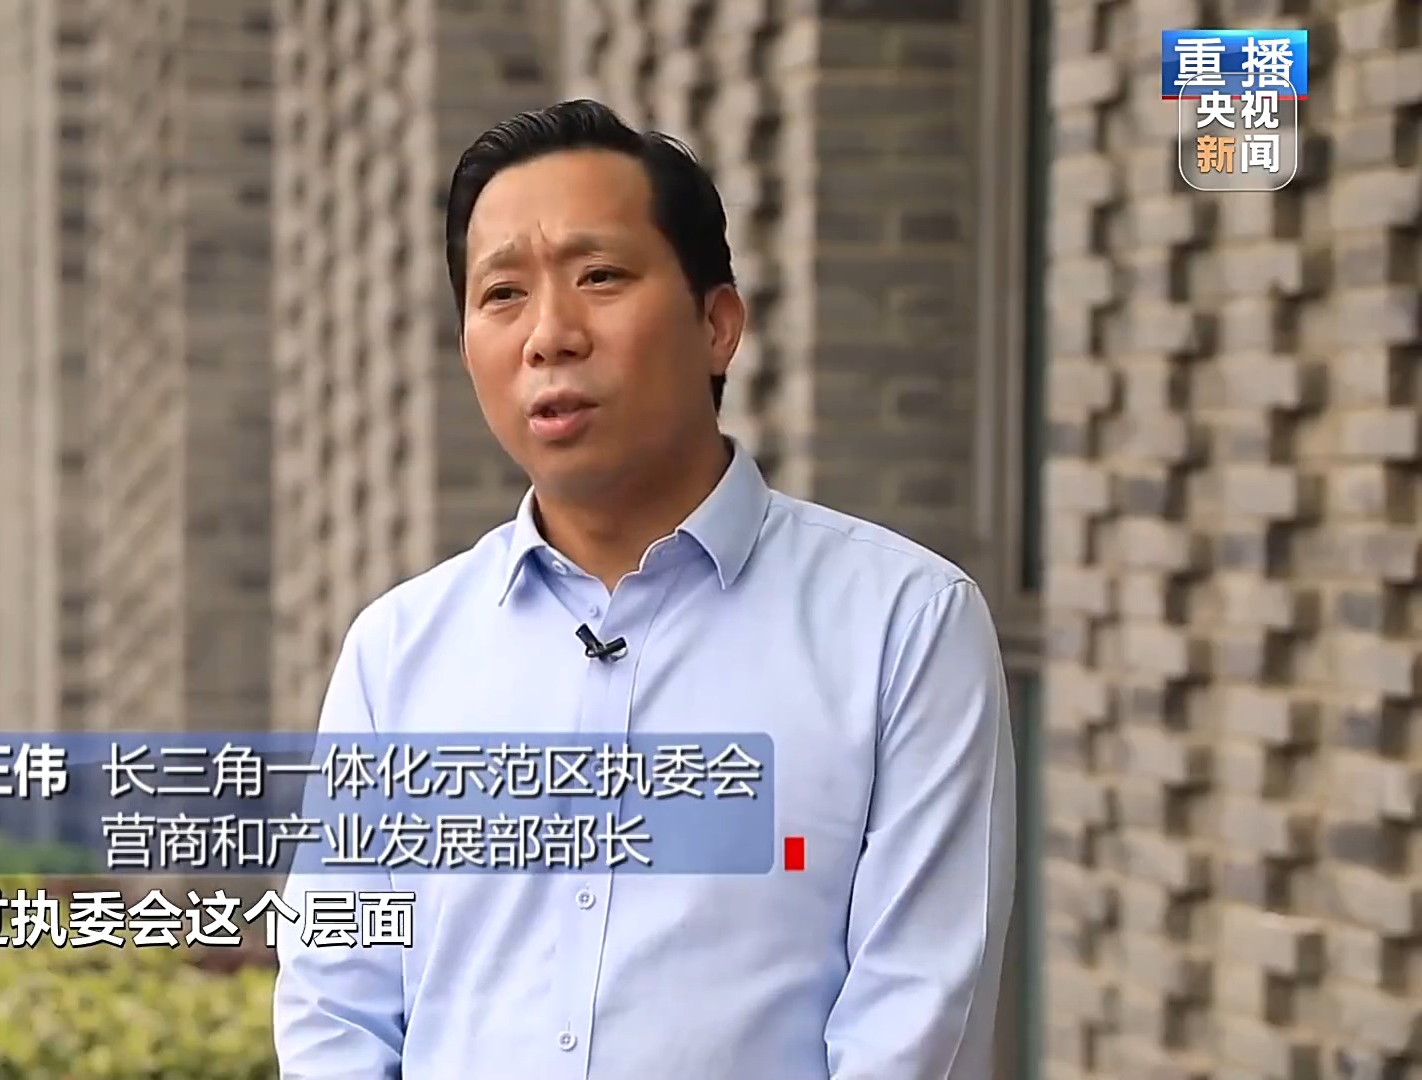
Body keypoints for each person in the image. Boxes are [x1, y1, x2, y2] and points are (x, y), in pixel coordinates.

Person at [271, 98, 1016, 1080]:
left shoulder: (903, 624)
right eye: (503, 294)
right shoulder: (398, 650)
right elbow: (335, 999)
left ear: (717, 325)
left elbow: (917, 1020)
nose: (549, 335)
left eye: (600, 277)